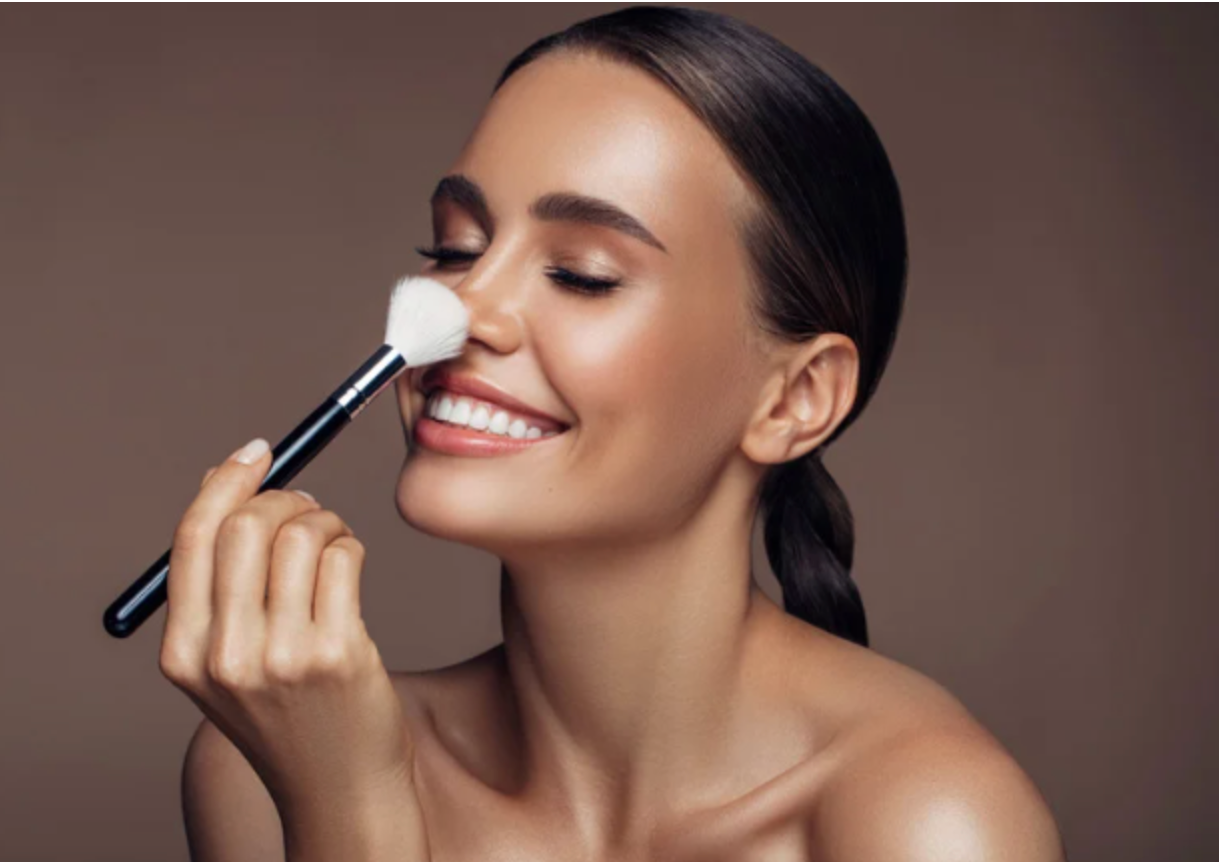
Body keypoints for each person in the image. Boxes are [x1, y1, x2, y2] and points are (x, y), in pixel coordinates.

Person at [162, 7, 1067, 861]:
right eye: (455, 247)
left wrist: (356, 819)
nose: (461, 304)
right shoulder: (270, 764)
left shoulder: (926, 823)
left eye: (583, 274)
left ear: (795, 399)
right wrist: (343, 803)